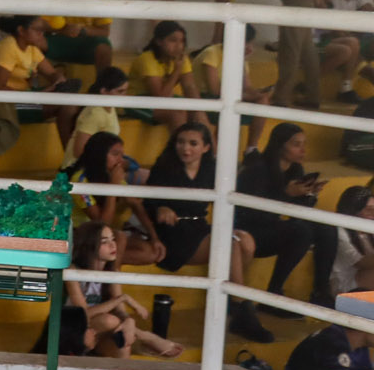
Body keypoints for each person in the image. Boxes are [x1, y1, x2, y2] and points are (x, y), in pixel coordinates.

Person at [232, 122, 323, 341]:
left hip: (269, 228)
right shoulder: (257, 170)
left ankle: (320, 292)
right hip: (247, 231)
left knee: (325, 230)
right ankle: (267, 297)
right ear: (280, 145)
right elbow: (250, 214)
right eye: (296, 144)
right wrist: (286, 194)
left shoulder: (295, 170)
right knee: (300, 231)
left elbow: (297, 212)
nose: (302, 150)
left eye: (304, 144)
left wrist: (309, 195)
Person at [145, 121, 254, 283]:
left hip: (198, 227)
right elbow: (146, 202)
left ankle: (229, 292)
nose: (185, 148)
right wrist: (160, 208)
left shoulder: (212, 170)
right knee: (230, 243)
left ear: (206, 147)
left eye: (193, 143)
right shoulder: (163, 167)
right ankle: (237, 296)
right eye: (180, 142)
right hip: (172, 233)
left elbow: (226, 202)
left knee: (246, 240)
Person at [65, 221, 184, 358]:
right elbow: (83, 314)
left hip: (100, 335)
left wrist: (129, 322)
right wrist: (122, 298)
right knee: (109, 321)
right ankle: (146, 337)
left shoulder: (112, 272)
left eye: (113, 239)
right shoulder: (74, 271)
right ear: (89, 245)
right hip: (75, 332)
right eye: (104, 242)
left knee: (124, 339)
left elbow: (120, 311)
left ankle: (135, 348)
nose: (113, 245)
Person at [0, 15, 82, 152]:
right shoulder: (7, 48)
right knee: (65, 107)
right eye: (37, 30)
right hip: (4, 104)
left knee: (71, 105)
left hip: (25, 98)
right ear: (21, 31)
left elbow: (51, 73)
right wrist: (37, 95)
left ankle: (70, 157)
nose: (41, 34)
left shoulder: (32, 49)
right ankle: (70, 158)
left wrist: (59, 80)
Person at [70, 131, 165, 267]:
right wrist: (113, 187)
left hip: (101, 237)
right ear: (99, 155)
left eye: (122, 155)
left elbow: (134, 203)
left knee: (149, 252)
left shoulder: (110, 174)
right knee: (119, 237)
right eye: (115, 154)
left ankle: (106, 267)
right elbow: (102, 223)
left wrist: (155, 238)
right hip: (78, 235)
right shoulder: (80, 180)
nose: (121, 160)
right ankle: (111, 275)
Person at [194, 32, 271, 157]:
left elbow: (247, 87)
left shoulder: (240, 58)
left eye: (250, 43)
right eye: (246, 43)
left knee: (263, 100)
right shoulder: (212, 53)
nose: (249, 47)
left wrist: (259, 93)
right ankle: (216, 156)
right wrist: (245, 96)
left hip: (228, 98)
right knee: (229, 107)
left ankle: (251, 149)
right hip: (205, 98)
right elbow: (214, 90)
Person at [127, 19, 205, 129]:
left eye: (182, 41)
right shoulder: (147, 59)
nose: (179, 46)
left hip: (163, 98)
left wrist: (198, 110)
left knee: (199, 114)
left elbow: (189, 87)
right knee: (176, 115)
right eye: (173, 41)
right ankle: (180, 140)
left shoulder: (181, 58)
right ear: (159, 41)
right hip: (138, 100)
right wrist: (177, 71)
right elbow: (160, 98)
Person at [44, 0, 113, 72]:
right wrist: (64, 29)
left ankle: (103, 82)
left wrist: (82, 30)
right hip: (61, 41)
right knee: (36, 40)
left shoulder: (98, 0)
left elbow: (105, 32)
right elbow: (44, 28)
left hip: (87, 43)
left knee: (104, 46)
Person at [320, 0, 374, 100]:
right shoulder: (333, 0)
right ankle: (352, 82)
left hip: (357, 40)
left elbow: (370, 13)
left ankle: (363, 70)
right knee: (353, 45)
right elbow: (333, 30)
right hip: (336, 40)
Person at [69, 65, 129, 162]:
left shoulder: (110, 107)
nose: (124, 96)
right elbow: (78, 152)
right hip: (83, 167)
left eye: (125, 91)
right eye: (120, 91)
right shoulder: (94, 114)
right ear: (104, 91)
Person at [327, 186, 374, 306]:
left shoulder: (370, 228)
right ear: (354, 210)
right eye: (368, 209)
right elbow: (360, 263)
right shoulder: (339, 230)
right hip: (343, 283)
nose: (373, 213)